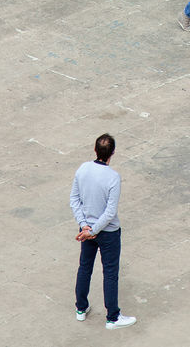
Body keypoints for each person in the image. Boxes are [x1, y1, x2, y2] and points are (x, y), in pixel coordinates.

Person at [70, 133, 136, 329]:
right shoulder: (113, 177)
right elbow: (110, 212)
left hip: (87, 230)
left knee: (85, 267)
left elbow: (74, 200)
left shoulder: (82, 169)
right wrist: (94, 230)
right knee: (110, 273)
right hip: (107, 233)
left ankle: (81, 308)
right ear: (112, 153)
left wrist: (84, 226)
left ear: (95, 150)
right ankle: (113, 317)